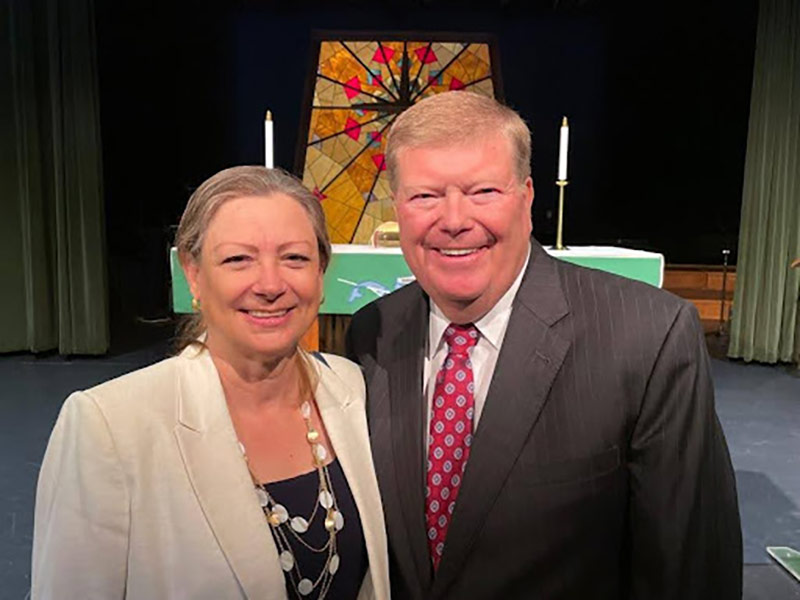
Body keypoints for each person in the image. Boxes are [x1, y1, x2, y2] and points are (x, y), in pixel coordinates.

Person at [346, 91, 742, 599]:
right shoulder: (371, 332)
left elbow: (691, 570)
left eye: (483, 191)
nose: (454, 219)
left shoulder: (648, 336)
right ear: (397, 207)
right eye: (425, 196)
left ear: (528, 196)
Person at [32, 166, 390, 600]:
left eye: (295, 257)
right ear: (193, 275)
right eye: (238, 259)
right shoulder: (109, 425)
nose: (271, 284)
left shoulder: (349, 386)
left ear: (320, 273)